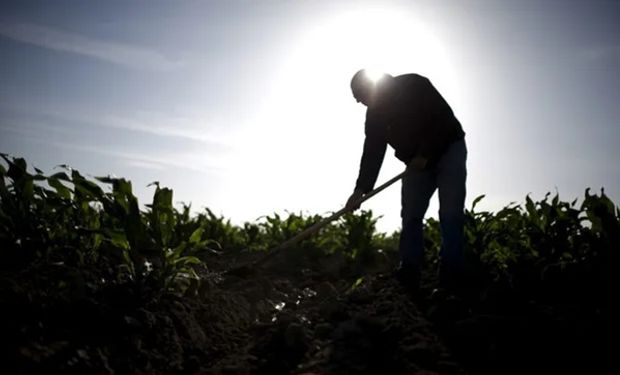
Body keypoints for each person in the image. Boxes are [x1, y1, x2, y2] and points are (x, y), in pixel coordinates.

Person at [345, 69, 467, 292]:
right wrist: (360, 189)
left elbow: (440, 119)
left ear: (369, 88)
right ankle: (410, 269)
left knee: (450, 212)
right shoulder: (374, 115)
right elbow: (372, 151)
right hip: (416, 164)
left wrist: (425, 153)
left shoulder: (414, 85)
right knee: (411, 215)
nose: (360, 102)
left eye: (360, 97)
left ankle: (452, 272)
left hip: (449, 148)